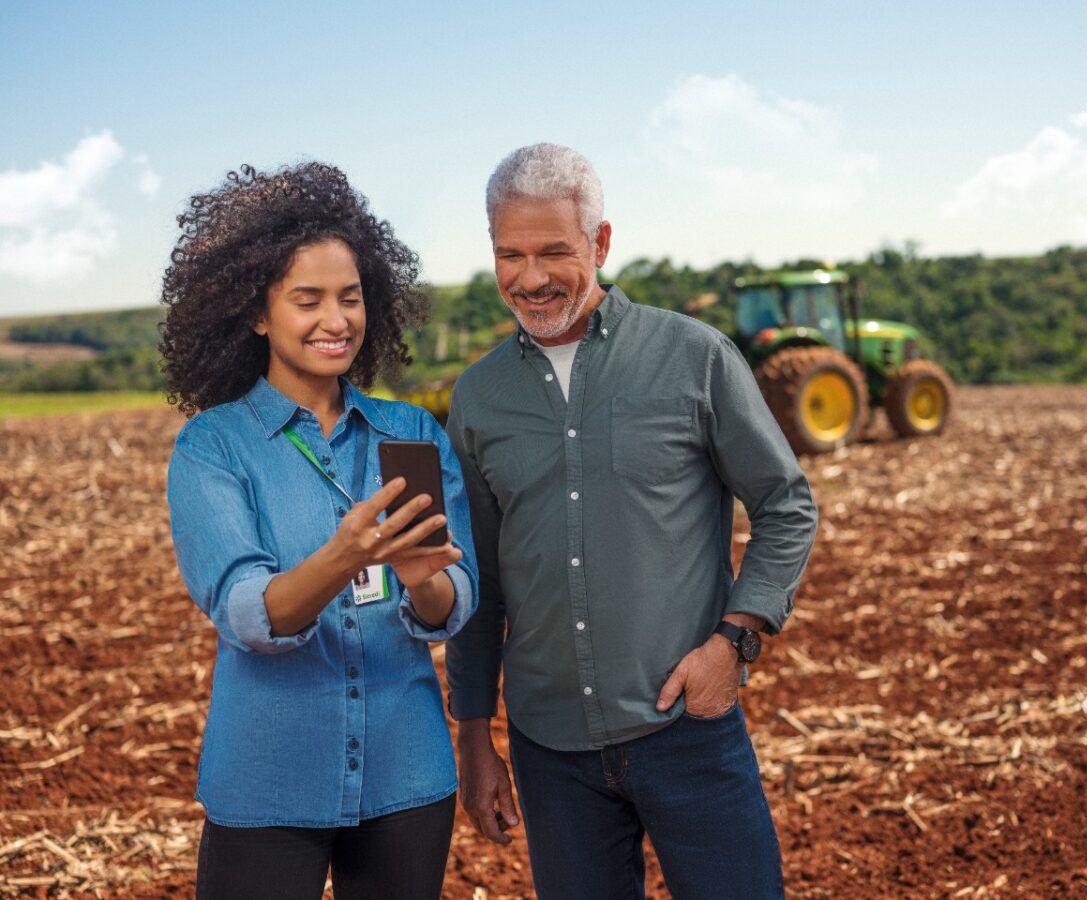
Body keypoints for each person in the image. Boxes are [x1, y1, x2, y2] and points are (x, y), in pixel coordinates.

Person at [446, 143, 818, 899]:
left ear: (602, 243)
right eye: (509, 256)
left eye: (554, 251)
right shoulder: (478, 398)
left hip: (687, 726)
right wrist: (475, 734)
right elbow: (478, 582)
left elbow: (785, 503)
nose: (531, 278)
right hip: (549, 751)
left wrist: (736, 638)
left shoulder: (694, 357)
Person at [162, 162, 478, 900]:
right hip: (268, 779)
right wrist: (345, 556)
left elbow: (453, 604)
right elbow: (247, 613)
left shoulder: (411, 432)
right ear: (258, 314)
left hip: (408, 778)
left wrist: (420, 575)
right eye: (308, 301)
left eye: (350, 298)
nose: (335, 321)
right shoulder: (213, 446)